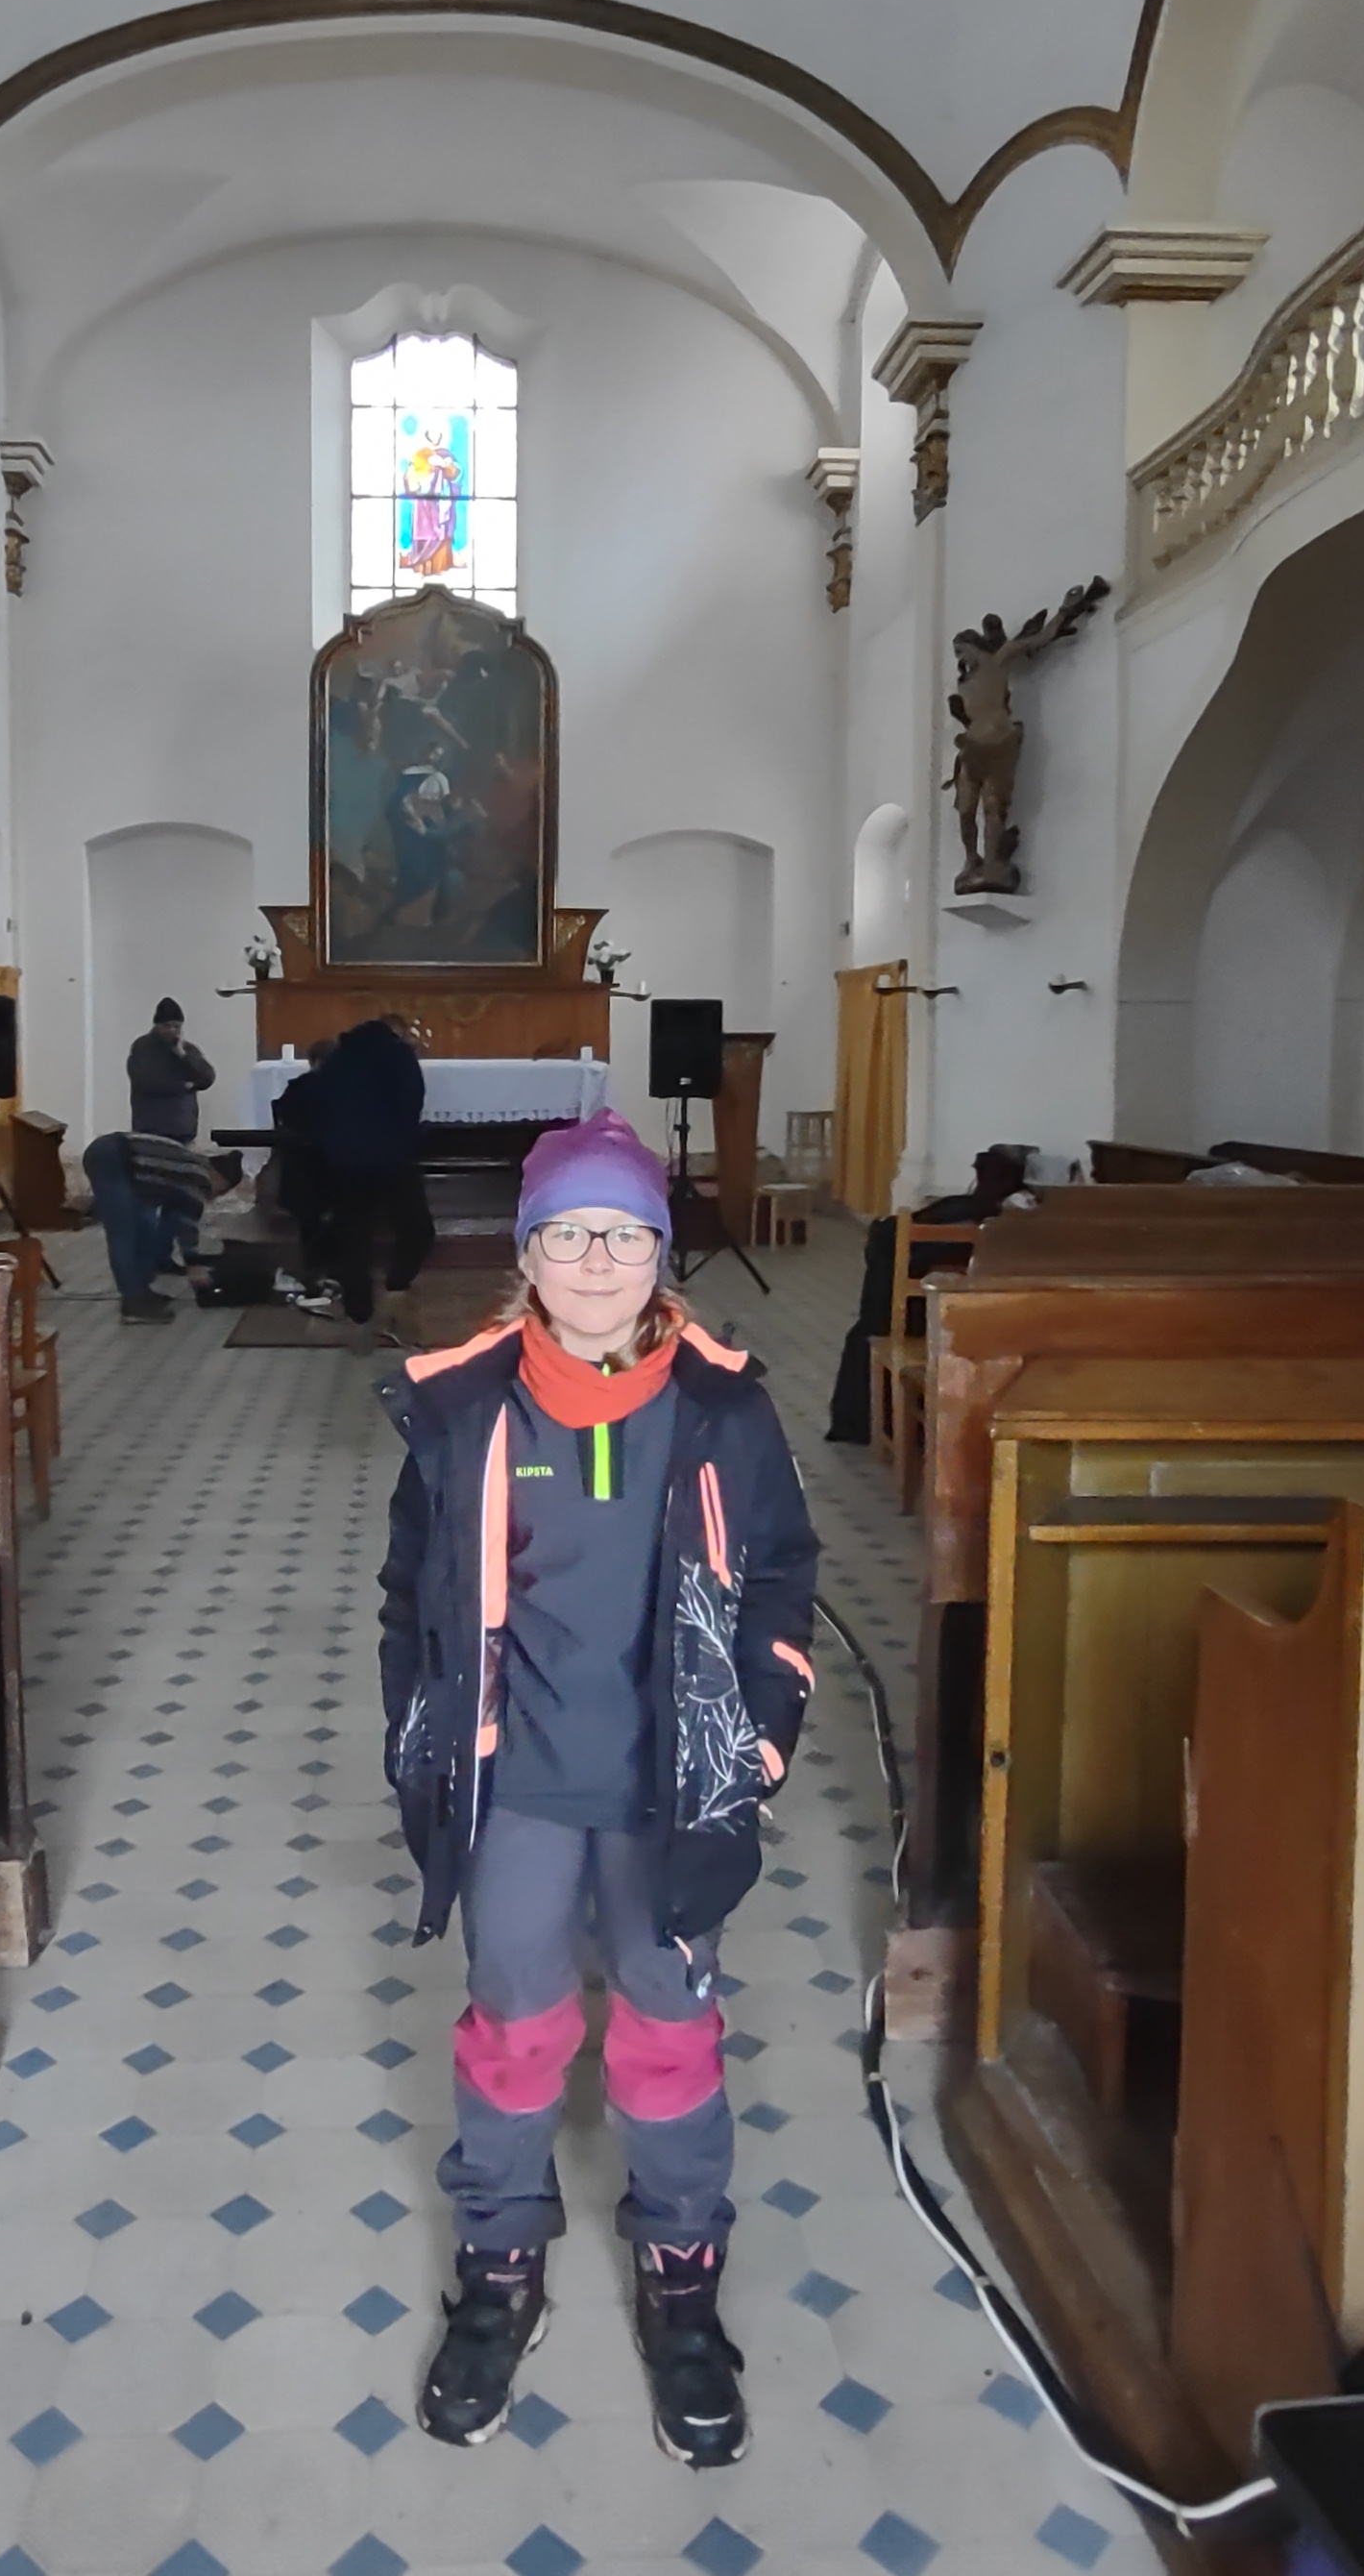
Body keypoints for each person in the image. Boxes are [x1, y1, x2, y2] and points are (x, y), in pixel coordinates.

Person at [375, 1111, 824, 2468]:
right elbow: (409, 1590)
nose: (595, 1261)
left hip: (667, 1788)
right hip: (516, 1783)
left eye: (624, 1235)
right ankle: (499, 2265)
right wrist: (420, 1733)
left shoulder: (723, 1408)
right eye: (566, 1233)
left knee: (668, 2028)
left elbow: (783, 1575)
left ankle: (681, 2271)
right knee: (513, 2025)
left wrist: (762, 1737)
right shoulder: (466, 1406)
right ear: (525, 1253)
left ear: (659, 1253)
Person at [826, 1142, 1035, 1443]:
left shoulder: (957, 1210)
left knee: (874, 1313)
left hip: (909, 1318)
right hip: (984, 1326)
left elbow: (885, 1238)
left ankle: (869, 1421)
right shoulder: (1016, 1221)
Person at [290, 1016, 434, 1322]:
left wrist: (335, 1145)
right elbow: (412, 1102)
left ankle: (358, 1308)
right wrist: (402, 1140)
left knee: (354, 1235)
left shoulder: (338, 1058)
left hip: (345, 1160)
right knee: (417, 1228)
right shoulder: (399, 1055)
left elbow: (319, 1104)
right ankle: (398, 1281)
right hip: (390, 1158)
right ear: (394, 1033)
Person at [82, 1128, 234, 1322]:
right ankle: (134, 1304)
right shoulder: (200, 1176)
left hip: (120, 1159)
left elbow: (175, 1220)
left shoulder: (188, 1168)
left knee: (144, 1228)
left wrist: (181, 1262)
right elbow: (187, 1227)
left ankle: (141, 1292)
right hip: (112, 1156)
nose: (216, 1197)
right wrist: (194, 1266)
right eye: (222, 1190)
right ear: (217, 1175)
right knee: (124, 1233)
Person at [125, 996, 217, 1142]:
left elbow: (207, 1078)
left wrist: (183, 1055)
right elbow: (146, 1082)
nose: (171, 1031)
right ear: (156, 1026)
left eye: (176, 1026)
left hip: (183, 1131)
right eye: (167, 1026)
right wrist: (184, 1086)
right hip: (151, 1128)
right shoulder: (143, 1048)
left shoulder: (187, 1050)